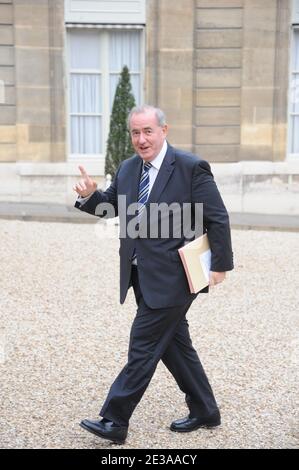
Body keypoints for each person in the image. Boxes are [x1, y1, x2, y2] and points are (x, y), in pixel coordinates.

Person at [73, 105, 233, 445]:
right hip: (139, 274)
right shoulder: (129, 168)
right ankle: (206, 410)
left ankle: (114, 419)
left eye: (148, 131)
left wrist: (220, 264)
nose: (141, 139)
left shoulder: (191, 168)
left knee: (143, 345)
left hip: (176, 276)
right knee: (175, 344)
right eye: (135, 132)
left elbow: (217, 217)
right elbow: (113, 205)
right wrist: (89, 196)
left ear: (164, 130)